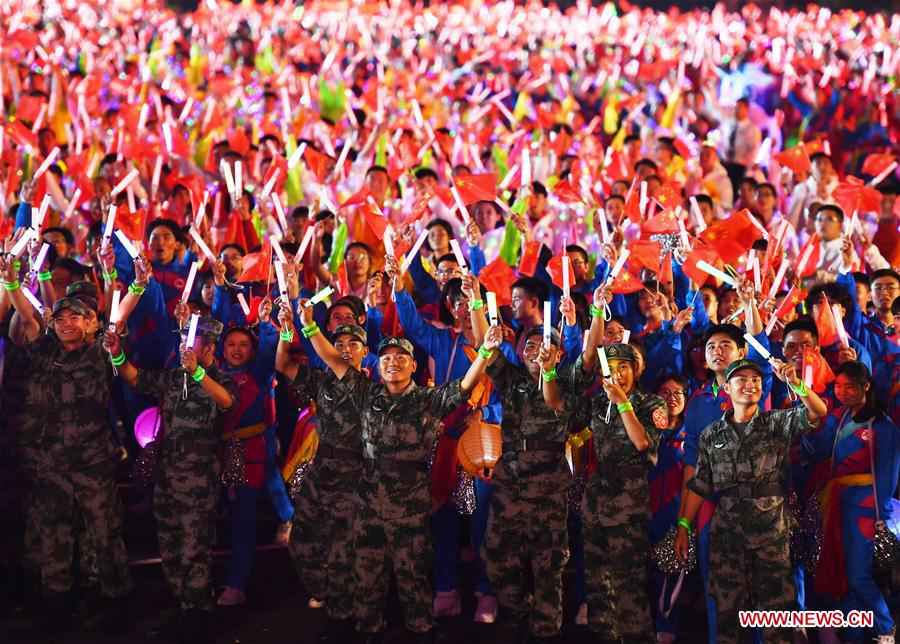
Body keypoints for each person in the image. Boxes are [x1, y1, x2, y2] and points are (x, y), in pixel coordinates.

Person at [299, 294, 503, 643]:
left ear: (412, 365)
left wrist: (484, 352)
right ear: (379, 365)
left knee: (412, 579)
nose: (393, 362)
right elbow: (332, 359)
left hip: (410, 504)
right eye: (388, 358)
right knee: (368, 577)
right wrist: (309, 325)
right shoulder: (365, 393)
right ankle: (368, 628)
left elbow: (466, 385)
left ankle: (420, 630)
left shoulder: (428, 399)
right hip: (368, 503)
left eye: (402, 358)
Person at [1, 257, 134, 637]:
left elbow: (118, 313)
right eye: (61, 318)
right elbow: (27, 318)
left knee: (104, 534)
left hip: (92, 464)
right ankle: (57, 605)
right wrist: (12, 283)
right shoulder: (43, 351)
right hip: (50, 465)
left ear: (92, 323)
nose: (67, 323)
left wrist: (116, 278)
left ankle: (115, 601)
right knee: (52, 535)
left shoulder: (101, 353)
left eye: (77, 317)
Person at [547, 286, 669, 644]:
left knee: (629, 583)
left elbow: (643, 442)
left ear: (636, 370)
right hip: (596, 504)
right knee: (598, 582)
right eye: (611, 368)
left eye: (624, 367)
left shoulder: (649, 405)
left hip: (629, 506)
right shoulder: (596, 403)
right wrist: (550, 373)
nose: (618, 374)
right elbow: (559, 408)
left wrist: (622, 403)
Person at [676, 358, 828, 644]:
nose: (750, 385)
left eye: (756, 380)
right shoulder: (712, 434)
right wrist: (684, 525)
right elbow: (701, 485)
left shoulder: (776, 422)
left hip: (770, 532)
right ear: (727, 389)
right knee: (727, 612)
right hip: (727, 535)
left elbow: (818, 412)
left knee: (775, 611)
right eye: (742, 380)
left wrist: (796, 385)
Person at [104, 316, 235, 643]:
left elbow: (226, 401)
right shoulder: (173, 378)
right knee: (170, 543)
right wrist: (118, 354)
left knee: (194, 545)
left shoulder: (220, 378)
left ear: (209, 347)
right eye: (182, 342)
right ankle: (183, 602)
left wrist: (198, 372)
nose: (185, 348)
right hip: (168, 474)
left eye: (193, 342)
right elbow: (134, 378)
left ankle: (199, 610)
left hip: (199, 477)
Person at [276, 306, 370, 641]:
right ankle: (331, 597)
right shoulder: (321, 381)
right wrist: (287, 332)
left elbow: (340, 365)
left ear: (365, 351)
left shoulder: (364, 384)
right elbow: (283, 365)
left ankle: (344, 617)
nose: (345, 348)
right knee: (302, 540)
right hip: (321, 471)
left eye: (353, 343)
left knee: (344, 549)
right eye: (339, 342)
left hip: (352, 474)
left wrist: (310, 325)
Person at [480, 324, 573, 642]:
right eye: (530, 345)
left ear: (558, 354)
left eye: (545, 345)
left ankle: (547, 627)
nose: (536, 350)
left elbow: (555, 403)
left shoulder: (565, 384)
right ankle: (515, 611)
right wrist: (476, 300)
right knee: (497, 553)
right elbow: (488, 347)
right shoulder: (511, 381)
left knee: (548, 562)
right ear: (521, 352)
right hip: (511, 482)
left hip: (549, 484)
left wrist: (548, 372)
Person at [800, 361, 899, 644]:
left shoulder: (882, 426)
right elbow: (818, 448)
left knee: (858, 575)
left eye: (850, 387)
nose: (842, 392)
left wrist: (880, 512)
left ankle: (886, 627)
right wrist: (808, 425)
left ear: (865, 387)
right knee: (843, 573)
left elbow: (887, 473)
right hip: (837, 502)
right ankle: (854, 633)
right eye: (838, 387)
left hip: (865, 506)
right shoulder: (838, 417)